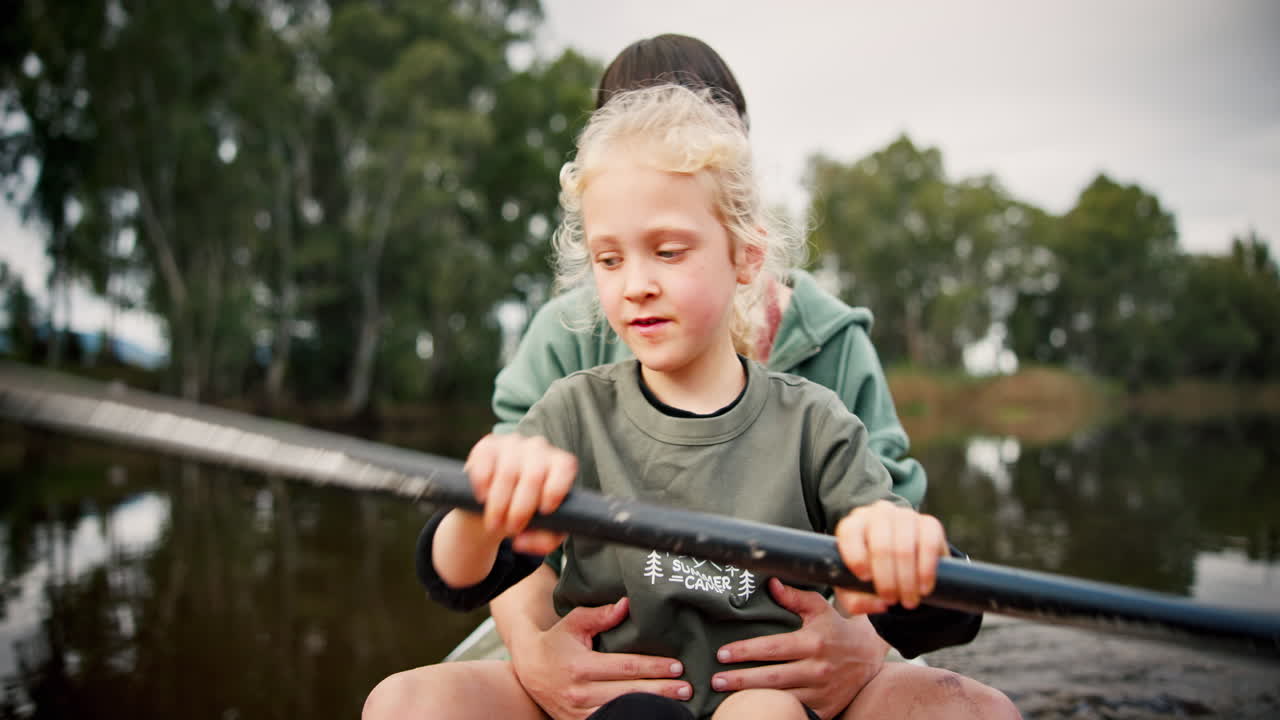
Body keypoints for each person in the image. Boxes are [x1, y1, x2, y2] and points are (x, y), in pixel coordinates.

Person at [365, 84, 1016, 719]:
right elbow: (454, 579)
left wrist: (896, 547)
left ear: (746, 256)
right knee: (401, 702)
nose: (637, 285)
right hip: (613, 699)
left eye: (668, 252)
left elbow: (942, 616)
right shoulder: (570, 412)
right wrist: (482, 507)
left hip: (765, 698)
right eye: (609, 259)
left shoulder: (817, 423)